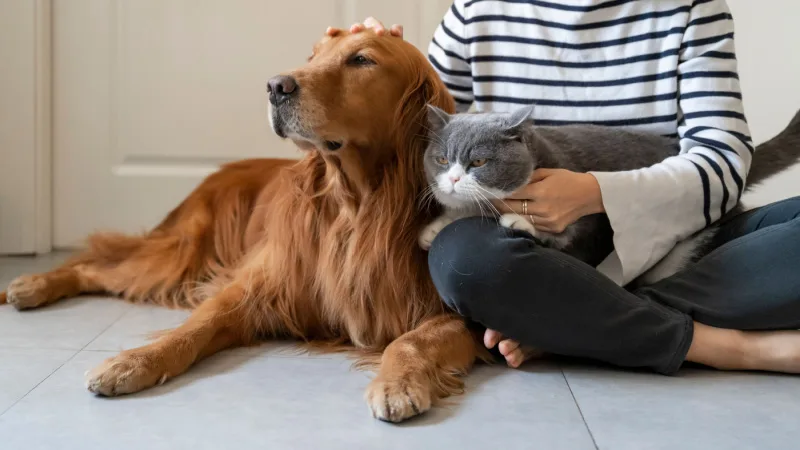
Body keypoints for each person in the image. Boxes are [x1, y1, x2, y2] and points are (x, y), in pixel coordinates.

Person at [328, 0, 800, 375]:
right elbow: (421, 129)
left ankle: (573, 322)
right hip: (528, 252)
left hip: (678, 241)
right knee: (465, 260)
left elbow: (722, 162)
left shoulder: (692, 9)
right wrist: (372, 64)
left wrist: (596, 193)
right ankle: (726, 347)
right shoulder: (476, 12)